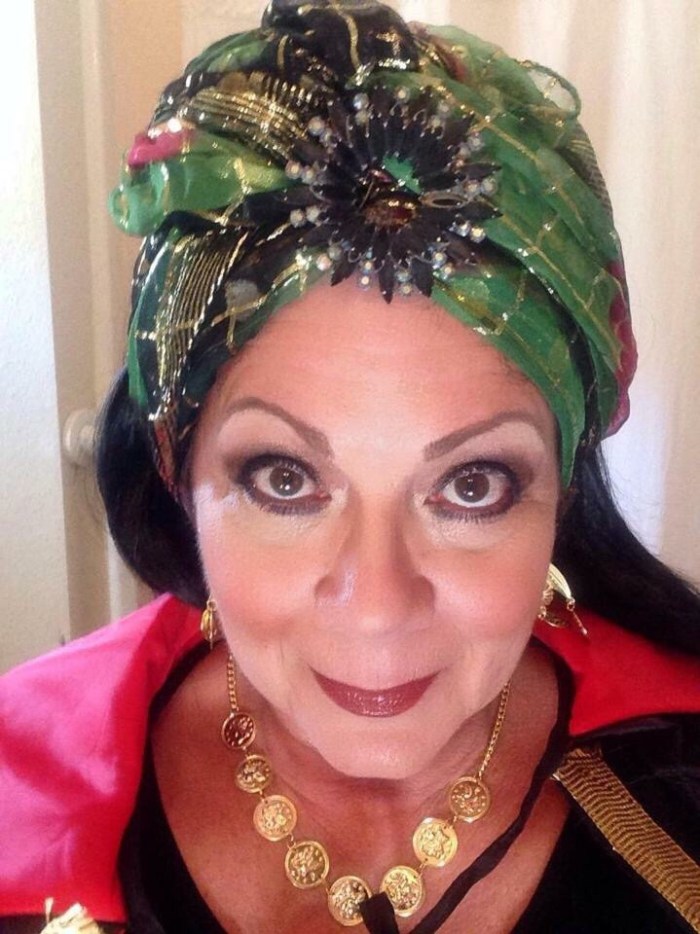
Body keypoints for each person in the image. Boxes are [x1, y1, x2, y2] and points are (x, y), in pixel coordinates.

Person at [1, 2, 699, 932]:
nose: (376, 607)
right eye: (284, 479)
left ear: (563, 484)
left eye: (472, 486)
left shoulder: (680, 784)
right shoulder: (18, 799)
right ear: (176, 464)